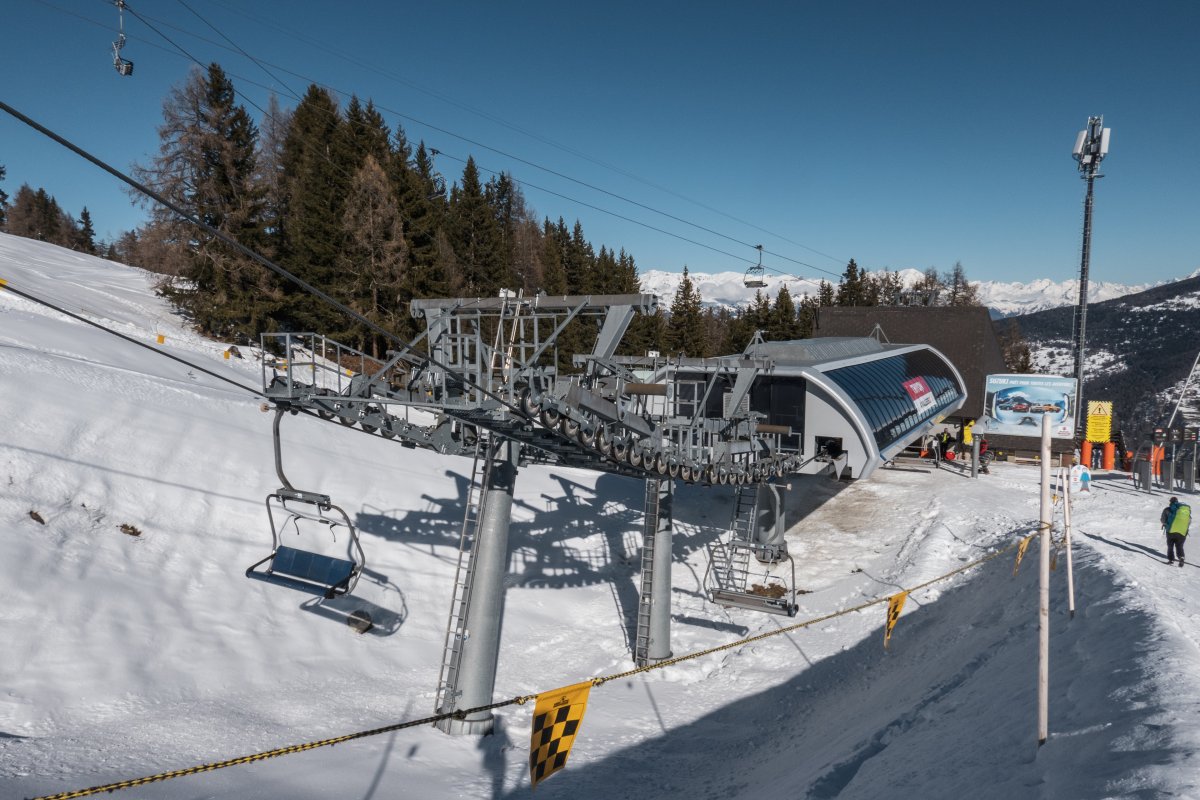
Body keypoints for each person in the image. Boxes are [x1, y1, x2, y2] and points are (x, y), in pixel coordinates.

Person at [1161, 496, 1192, 567]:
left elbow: (1163, 520)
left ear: (1170, 502)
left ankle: (1171, 560)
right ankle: (1181, 557)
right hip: (1182, 532)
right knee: (1179, 546)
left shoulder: (1167, 509)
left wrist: (1166, 524)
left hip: (1171, 531)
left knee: (1170, 546)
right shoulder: (1184, 510)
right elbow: (1189, 521)